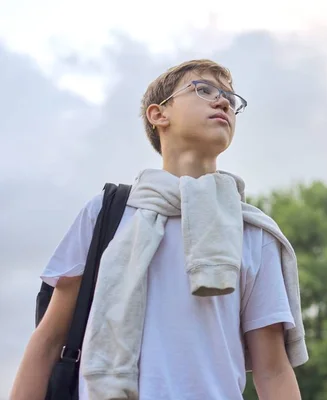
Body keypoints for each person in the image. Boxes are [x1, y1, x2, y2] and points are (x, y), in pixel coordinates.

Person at [11, 59, 307, 400]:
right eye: (204, 89)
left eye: (230, 97)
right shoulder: (107, 213)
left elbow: (272, 369)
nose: (223, 101)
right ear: (158, 114)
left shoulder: (254, 234)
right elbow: (48, 342)